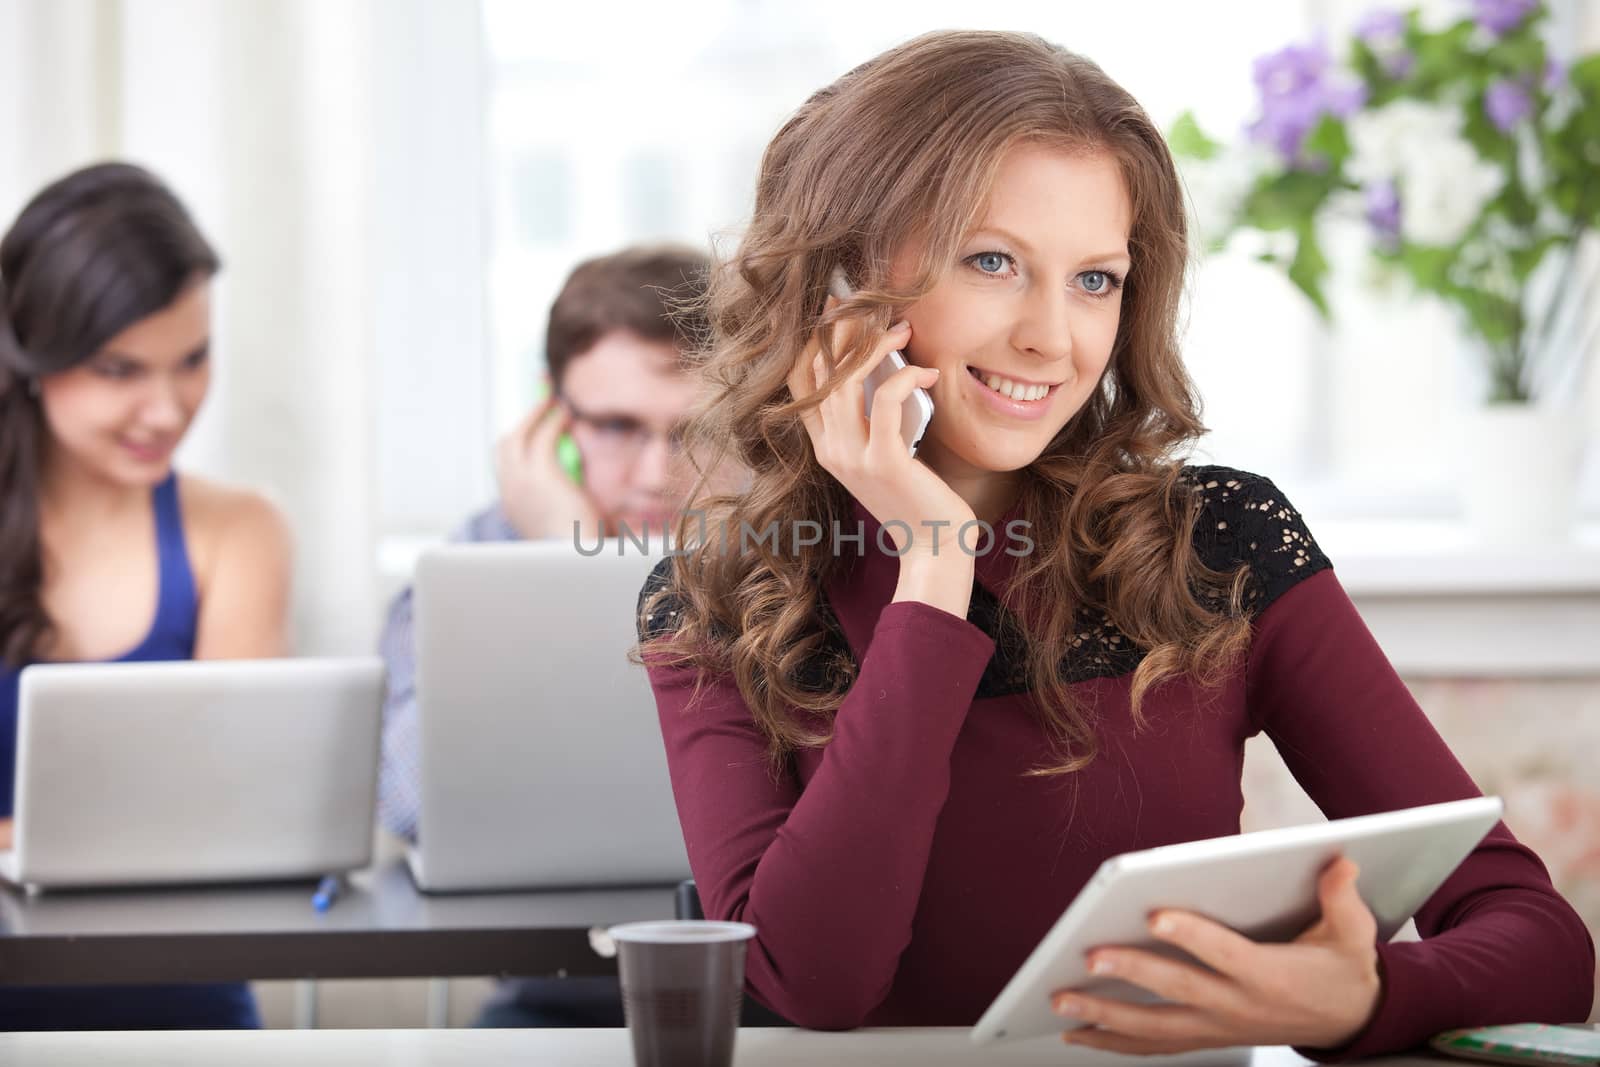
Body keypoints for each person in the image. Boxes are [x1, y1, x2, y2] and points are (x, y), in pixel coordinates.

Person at [634, 30, 1594, 1058]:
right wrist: (935, 564)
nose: (1053, 338)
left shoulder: (1218, 541)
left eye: (1095, 279)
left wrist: (1354, 999)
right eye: (992, 261)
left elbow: (1540, 941)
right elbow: (815, 979)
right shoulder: (719, 597)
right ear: (838, 281)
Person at [376, 244, 715, 1027]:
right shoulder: (477, 558)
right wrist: (569, 556)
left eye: (698, 430)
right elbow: (410, 801)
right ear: (550, 413)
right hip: (551, 990)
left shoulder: (789, 550)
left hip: (767, 992)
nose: (660, 471)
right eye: (618, 426)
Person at [0, 161, 292, 1029]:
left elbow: (233, 816)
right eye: (119, 368)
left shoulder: (238, 531)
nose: (167, 409)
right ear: (30, 357)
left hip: (180, 1001)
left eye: (192, 360)